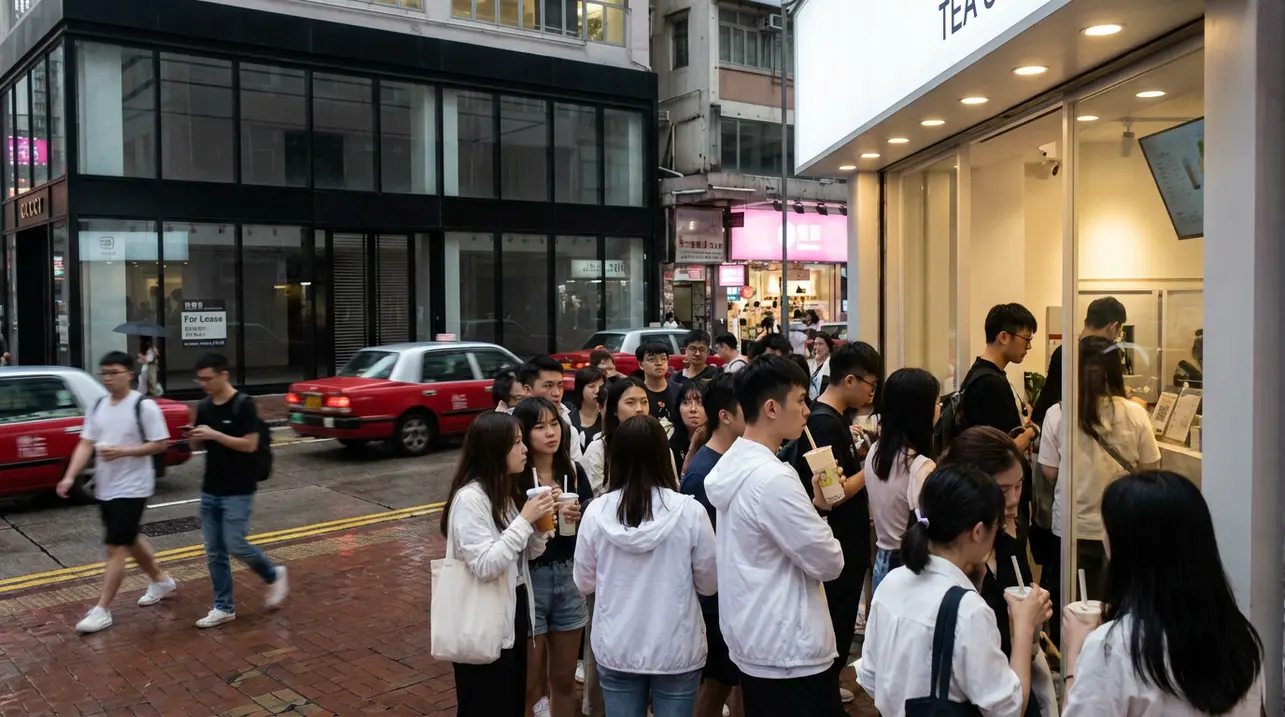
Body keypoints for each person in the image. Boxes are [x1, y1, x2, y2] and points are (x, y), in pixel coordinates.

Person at [704, 356, 845, 716]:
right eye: (800, 400)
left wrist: (818, 507)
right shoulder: (773, 478)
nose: (807, 410)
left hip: (757, 638)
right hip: (790, 650)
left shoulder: (734, 464)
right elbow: (829, 562)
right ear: (771, 408)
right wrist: (821, 516)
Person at [1061, 471, 1263, 717]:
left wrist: (1075, 655)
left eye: (1107, 532)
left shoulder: (1111, 649)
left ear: (1126, 548)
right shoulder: (1241, 639)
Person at [858, 463, 1052, 717]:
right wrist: (1025, 625)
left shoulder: (891, 584)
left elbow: (870, 677)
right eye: (997, 527)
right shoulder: (968, 610)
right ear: (978, 531)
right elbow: (1009, 708)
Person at [574, 415, 718, 717]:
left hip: (617, 645)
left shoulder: (596, 513)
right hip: (677, 646)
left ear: (616, 459)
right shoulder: (690, 512)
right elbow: (709, 584)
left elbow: (584, 582)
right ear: (663, 456)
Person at [1037, 336, 1161, 627]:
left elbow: (1049, 471)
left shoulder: (1058, 413)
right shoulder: (1135, 413)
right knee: (1118, 608)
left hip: (1071, 527)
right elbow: (1151, 468)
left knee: (1073, 609)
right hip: (1121, 526)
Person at [441, 412, 556, 717]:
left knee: (510, 702)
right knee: (485, 704)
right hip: (481, 617)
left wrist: (540, 525)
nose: (525, 449)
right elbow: (486, 565)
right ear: (494, 450)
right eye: (516, 442)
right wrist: (525, 520)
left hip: (511, 610)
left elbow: (527, 555)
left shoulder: (503, 493)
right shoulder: (470, 500)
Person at [786, 342, 881, 708]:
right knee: (836, 618)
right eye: (870, 384)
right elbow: (833, 493)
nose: (872, 392)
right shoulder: (824, 423)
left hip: (844, 539)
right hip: (837, 539)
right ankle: (823, 694)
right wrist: (871, 468)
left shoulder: (833, 418)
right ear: (850, 380)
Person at [938, 426, 1058, 717]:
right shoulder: (944, 562)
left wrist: (1033, 621)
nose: (1014, 499)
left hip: (1012, 682)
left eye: (1019, 486)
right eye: (1003, 491)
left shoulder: (1008, 541)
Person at [57, 351, 176, 634]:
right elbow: (86, 443)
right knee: (129, 538)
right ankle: (161, 580)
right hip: (106, 486)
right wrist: (70, 476)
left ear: (129, 374)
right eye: (104, 373)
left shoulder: (144, 406)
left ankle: (103, 610)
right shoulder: (98, 405)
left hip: (134, 487)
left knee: (115, 547)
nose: (108, 379)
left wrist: (124, 451)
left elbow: (161, 443)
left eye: (114, 372)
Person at [188, 353, 287, 628]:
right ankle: (224, 607)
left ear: (224, 375)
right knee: (214, 552)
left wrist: (215, 435)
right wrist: (192, 437)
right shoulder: (204, 406)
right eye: (200, 380)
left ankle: (273, 575)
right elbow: (197, 446)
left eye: (208, 379)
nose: (204, 384)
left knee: (235, 544)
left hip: (239, 489)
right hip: (211, 488)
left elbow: (249, 444)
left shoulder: (243, 405)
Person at [575, 377, 651, 717]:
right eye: (630, 403)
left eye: (644, 402)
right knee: (603, 634)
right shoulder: (598, 449)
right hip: (610, 556)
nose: (639, 409)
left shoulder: (658, 445)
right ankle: (598, 705)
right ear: (613, 410)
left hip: (651, 556)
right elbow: (598, 500)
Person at [514, 398, 592, 717]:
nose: (550, 433)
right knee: (529, 683)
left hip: (569, 575)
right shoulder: (515, 476)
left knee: (563, 679)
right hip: (530, 579)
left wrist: (578, 513)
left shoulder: (573, 471)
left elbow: (591, 520)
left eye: (554, 424)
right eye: (539, 426)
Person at [679, 375, 747, 717]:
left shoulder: (739, 458)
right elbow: (697, 548)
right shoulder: (702, 473)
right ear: (725, 415)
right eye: (747, 406)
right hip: (715, 599)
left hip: (738, 592)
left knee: (739, 680)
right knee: (718, 681)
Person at [864, 367, 939, 593]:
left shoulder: (876, 452)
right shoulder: (921, 466)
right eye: (936, 403)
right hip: (912, 567)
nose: (939, 408)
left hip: (882, 561)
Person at [1030, 297, 1126, 426]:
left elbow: (1049, 396)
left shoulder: (1064, 351)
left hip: (1062, 426)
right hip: (1095, 426)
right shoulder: (1109, 354)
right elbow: (1114, 401)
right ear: (1113, 327)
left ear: (1086, 321)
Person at [518, 356, 583, 463]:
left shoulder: (569, 430)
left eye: (560, 385)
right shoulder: (508, 426)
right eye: (548, 386)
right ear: (527, 390)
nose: (556, 393)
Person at [635, 341, 679, 428]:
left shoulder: (679, 390)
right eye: (651, 359)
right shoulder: (636, 393)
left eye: (663, 359)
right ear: (640, 364)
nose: (659, 363)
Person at [670, 381, 707, 475]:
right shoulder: (670, 444)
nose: (693, 409)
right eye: (686, 403)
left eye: (700, 403)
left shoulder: (719, 442)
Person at [567, 366, 606, 452]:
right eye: (591, 386)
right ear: (580, 389)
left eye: (601, 386)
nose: (597, 391)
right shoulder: (568, 418)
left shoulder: (607, 417)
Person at [807, 332, 833, 400]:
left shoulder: (831, 363)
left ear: (828, 347)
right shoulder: (810, 363)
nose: (817, 347)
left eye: (820, 344)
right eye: (815, 344)